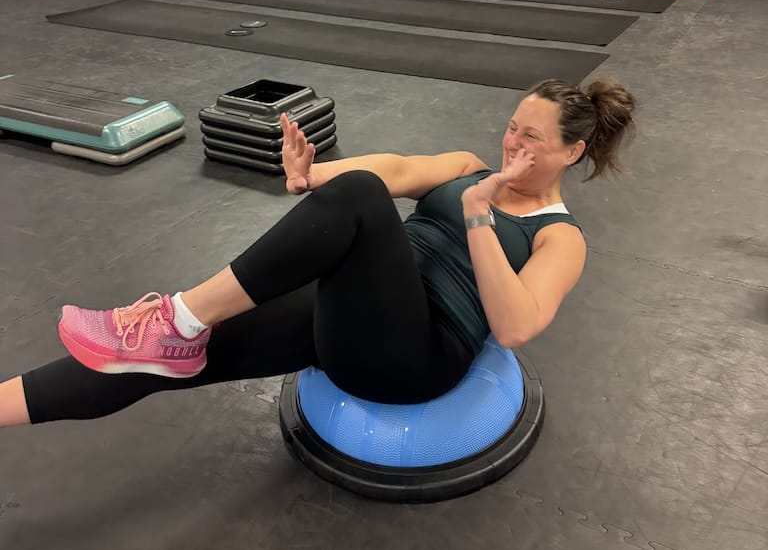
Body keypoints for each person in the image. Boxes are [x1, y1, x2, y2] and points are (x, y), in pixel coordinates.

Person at [0, 78, 636, 430]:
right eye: (512, 127)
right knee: (163, 361)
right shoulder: (469, 166)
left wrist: (478, 216)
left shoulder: (560, 237)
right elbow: (396, 169)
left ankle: (179, 318)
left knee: (359, 197)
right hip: (361, 315)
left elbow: (515, 326)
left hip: (415, 358)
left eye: (532, 138)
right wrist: (312, 174)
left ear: (571, 152)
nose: (512, 144)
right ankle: (170, 335)